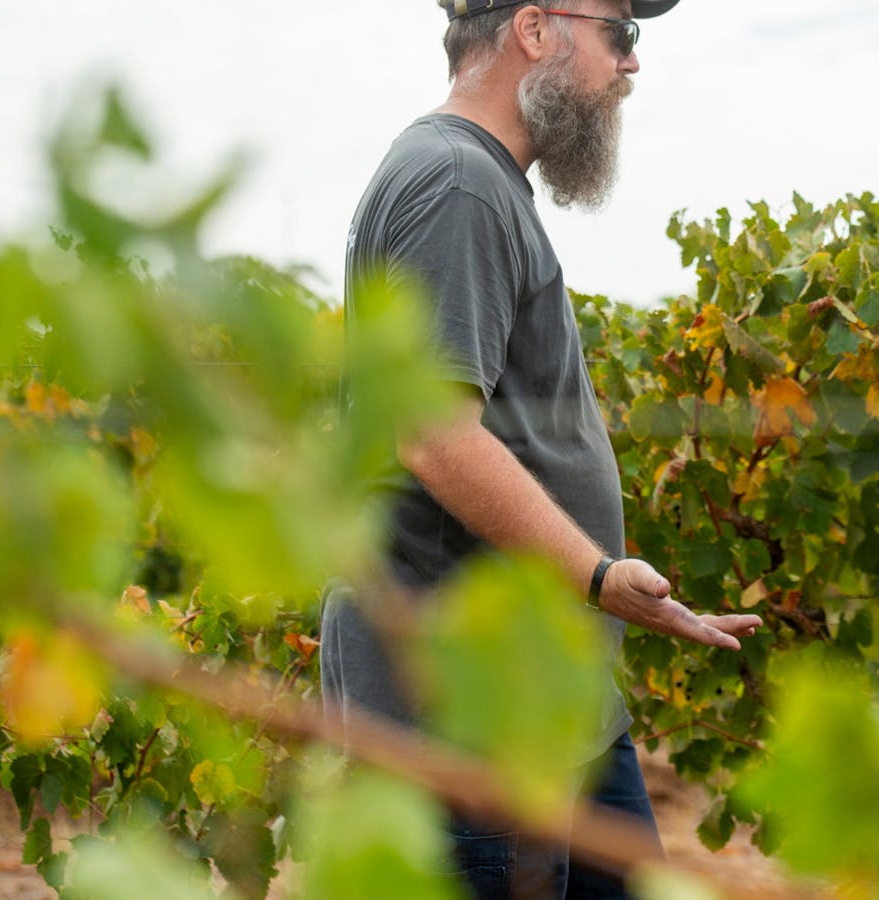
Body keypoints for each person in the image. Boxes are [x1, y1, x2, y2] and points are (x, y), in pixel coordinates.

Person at [322, 1, 762, 896]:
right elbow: (435, 435)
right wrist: (599, 578)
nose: (631, 66)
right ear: (534, 30)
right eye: (620, 34)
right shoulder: (456, 186)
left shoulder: (476, 182)